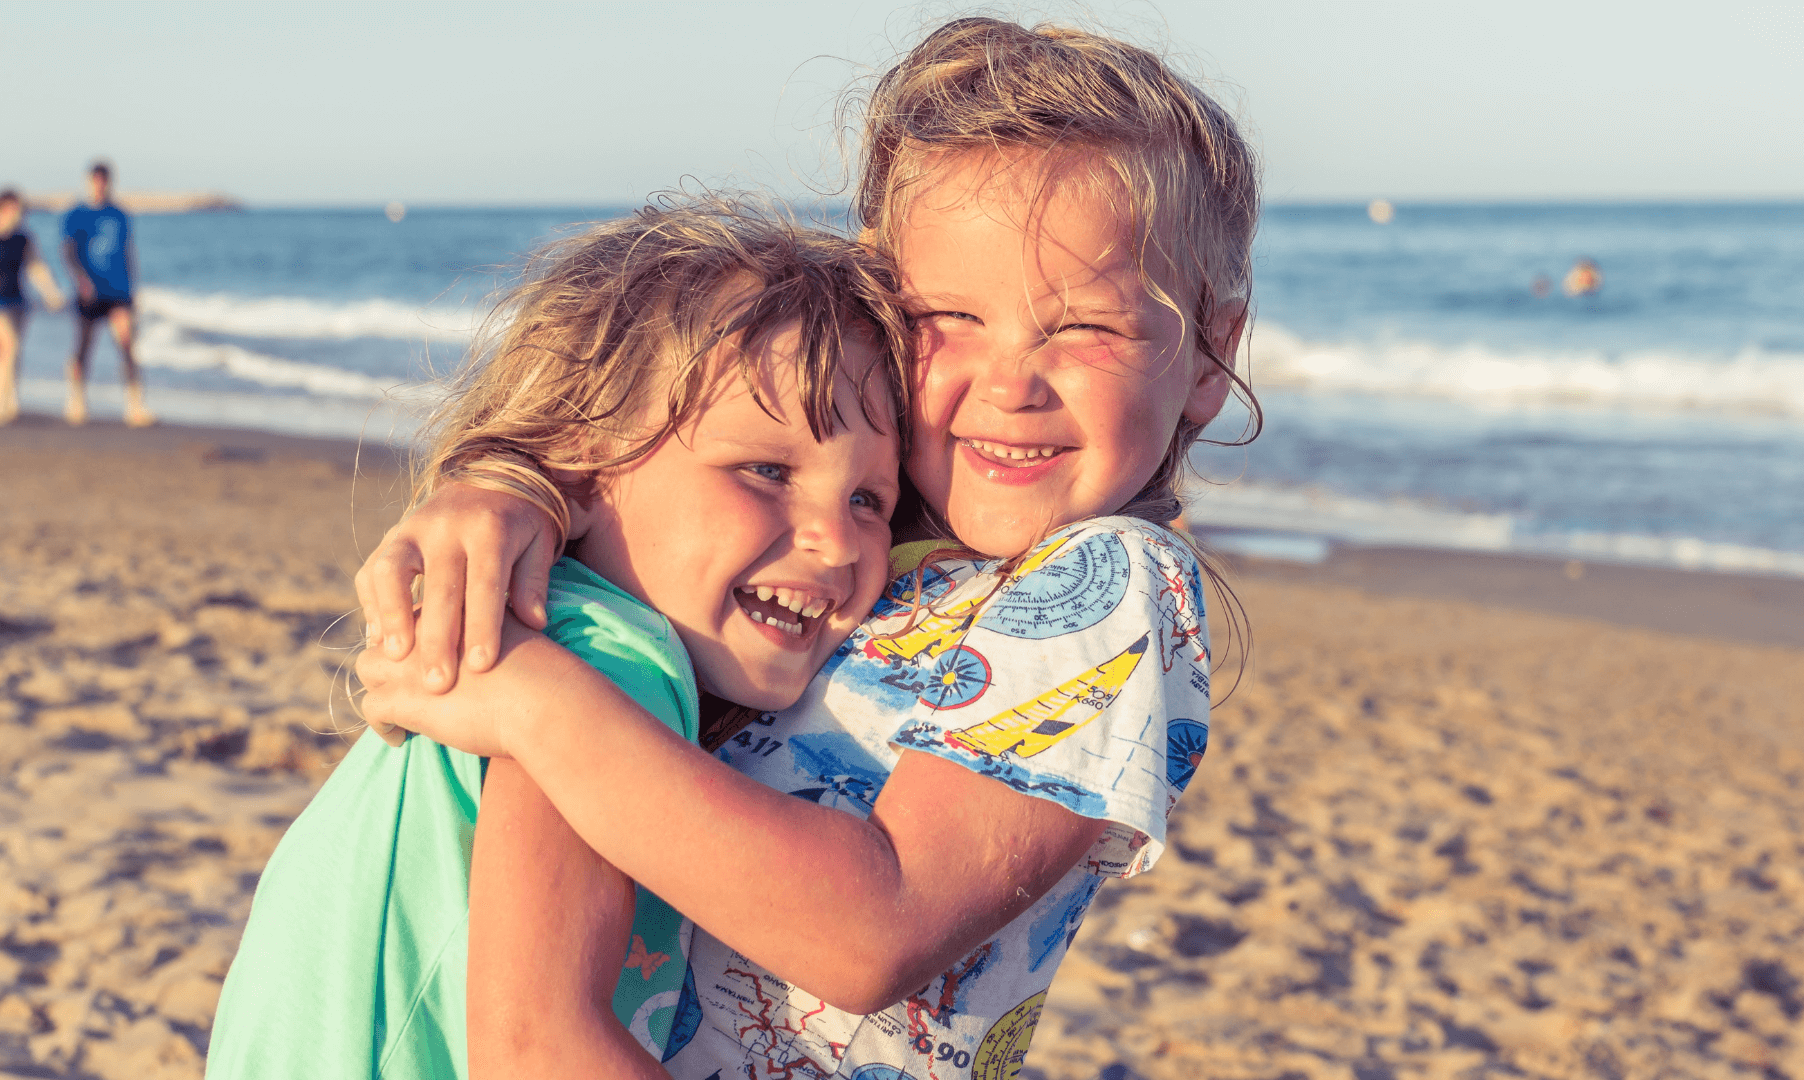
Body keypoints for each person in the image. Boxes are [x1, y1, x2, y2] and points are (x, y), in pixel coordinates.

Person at [353, 17, 1260, 1079]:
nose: (1011, 382)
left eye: (1085, 329)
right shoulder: (871, 536)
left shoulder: (1109, 582)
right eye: (948, 316)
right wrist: (520, 492)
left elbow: (872, 930)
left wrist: (533, 703)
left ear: (1211, 356)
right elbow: (673, 456)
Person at [204, 197, 916, 1080]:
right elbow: (541, 1049)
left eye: (869, 500)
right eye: (765, 469)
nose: (837, 542)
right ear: (582, 468)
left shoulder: (566, 634)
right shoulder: (604, 656)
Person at [60, 160, 152, 426]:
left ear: (110, 183)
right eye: (95, 181)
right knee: (84, 348)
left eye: (104, 181)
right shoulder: (76, 215)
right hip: (88, 292)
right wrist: (81, 279)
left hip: (119, 291)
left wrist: (134, 288)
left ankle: (135, 406)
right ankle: (76, 401)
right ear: (88, 182)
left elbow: (128, 252)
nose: (100, 186)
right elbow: (68, 252)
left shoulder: (119, 215)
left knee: (127, 344)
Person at [0, 188, 68, 425]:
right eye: (16, 209)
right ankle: (3, 402)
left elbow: (36, 267)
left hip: (17, 301)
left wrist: (52, 293)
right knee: (10, 346)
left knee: (13, 353)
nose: (20, 214)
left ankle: (11, 399)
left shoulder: (24, 238)